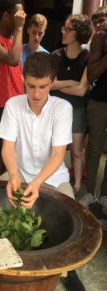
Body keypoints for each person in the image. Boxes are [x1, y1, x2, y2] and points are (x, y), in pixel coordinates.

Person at [0, 52, 87, 291]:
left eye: (43, 87)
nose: (36, 94)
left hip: (53, 175)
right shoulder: (13, 105)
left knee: (72, 221)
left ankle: (69, 272)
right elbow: (7, 147)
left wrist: (36, 183)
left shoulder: (62, 108)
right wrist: (14, 175)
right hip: (20, 170)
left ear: (52, 81)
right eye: (31, 86)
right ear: (23, 80)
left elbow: (59, 154)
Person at [0, 0, 26, 178]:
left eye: (23, 16)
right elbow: (12, 59)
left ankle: (12, 180)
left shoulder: (15, 40)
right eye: (18, 15)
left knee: (16, 147)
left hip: (20, 100)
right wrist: (19, 29)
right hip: (3, 103)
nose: (21, 19)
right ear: (6, 16)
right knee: (0, 147)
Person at [51, 14, 92, 195]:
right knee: (53, 147)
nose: (63, 32)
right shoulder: (56, 55)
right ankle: (51, 177)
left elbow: (82, 91)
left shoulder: (88, 57)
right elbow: (50, 84)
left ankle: (76, 184)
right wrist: (71, 82)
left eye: (68, 29)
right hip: (56, 108)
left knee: (76, 151)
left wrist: (60, 85)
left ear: (79, 33)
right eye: (64, 28)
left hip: (76, 109)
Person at [79, 7, 107, 212]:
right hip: (100, 101)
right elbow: (91, 74)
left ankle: (105, 196)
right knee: (94, 149)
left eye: (102, 19)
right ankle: (89, 193)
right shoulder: (100, 38)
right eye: (95, 21)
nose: (99, 24)